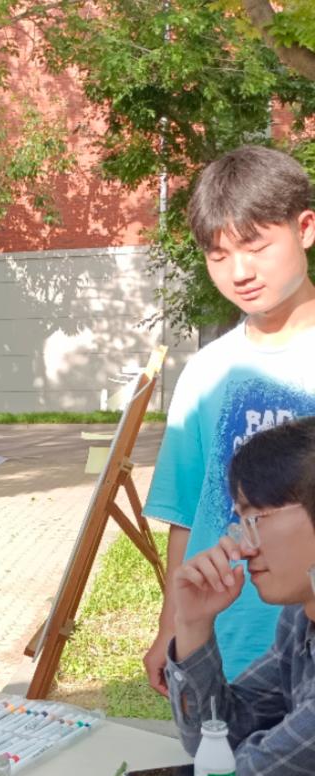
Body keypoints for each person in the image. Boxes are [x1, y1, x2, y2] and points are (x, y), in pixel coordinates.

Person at [143, 145, 315, 694]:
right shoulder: (205, 372)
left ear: (305, 228)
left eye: (256, 246)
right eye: (218, 255)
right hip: (223, 644)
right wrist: (172, 624)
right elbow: (186, 515)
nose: (240, 272)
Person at [165, 417, 315, 776]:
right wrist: (193, 623)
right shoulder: (301, 618)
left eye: (255, 519)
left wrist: (229, 758)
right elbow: (214, 738)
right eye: (239, 522)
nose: (243, 546)